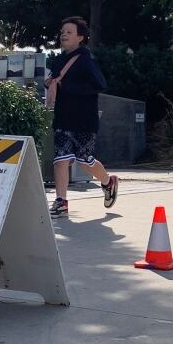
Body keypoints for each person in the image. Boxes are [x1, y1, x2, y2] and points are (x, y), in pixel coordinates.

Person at [45, 16, 118, 218]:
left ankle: (108, 182)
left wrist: (66, 86)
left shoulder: (86, 59)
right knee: (60, 160)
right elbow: (55, 82)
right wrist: (50, 82)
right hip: (62, 117)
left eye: (69, 32)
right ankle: (61, 202)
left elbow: (99, 84)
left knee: (84, 160)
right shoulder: (59, 60)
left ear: (81, 37)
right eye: (62, 32)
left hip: (84, 118)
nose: (64, 35)